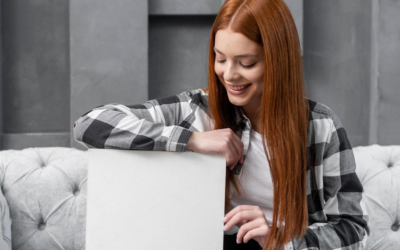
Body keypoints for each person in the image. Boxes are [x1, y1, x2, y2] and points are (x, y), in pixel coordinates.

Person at [73, 0, 368, 249]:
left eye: (246, 63)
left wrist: (280, 239)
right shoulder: (196, 110)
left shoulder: (321, 127)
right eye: (220, 58)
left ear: (278, 61)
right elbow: (89, 123)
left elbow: (354, 230)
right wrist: (192, 140)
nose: (228, 75)